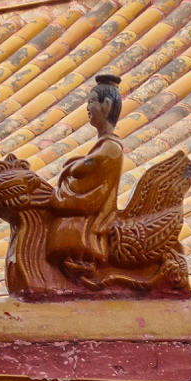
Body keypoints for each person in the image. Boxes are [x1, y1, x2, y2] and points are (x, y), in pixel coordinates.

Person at [46, 73, 125, 278]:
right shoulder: (103, 145)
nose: (88, 108)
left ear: (106, 105)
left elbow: (84, 168)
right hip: (86, 207)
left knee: (69, 227)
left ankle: (82, 262)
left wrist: (70, 167)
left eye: (91, 102)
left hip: (96, 216)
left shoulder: (111, 147)